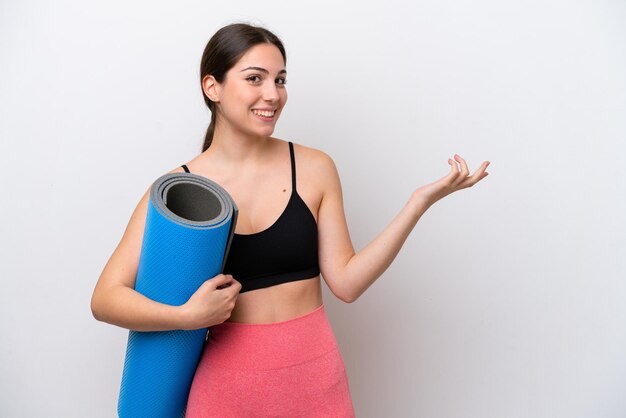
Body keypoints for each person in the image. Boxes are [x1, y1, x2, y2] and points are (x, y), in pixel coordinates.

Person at [90, 22, 490, 417]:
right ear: (212, 87)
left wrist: (417, 204)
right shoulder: (178, 191)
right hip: (226, 394)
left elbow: (346, 284)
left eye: (280, 80)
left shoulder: (314, 167)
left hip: (316, 384)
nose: (273, 95)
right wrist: (185, 317)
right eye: (255, 78)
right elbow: (105, 299)